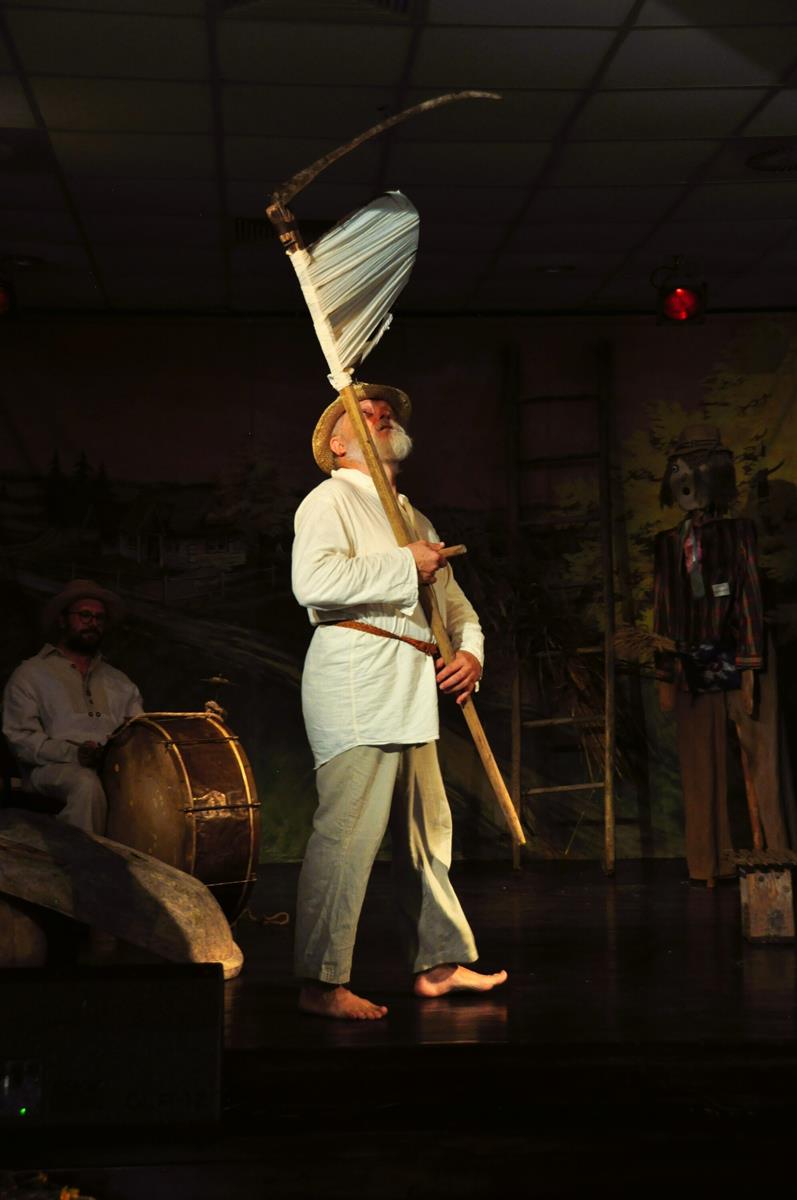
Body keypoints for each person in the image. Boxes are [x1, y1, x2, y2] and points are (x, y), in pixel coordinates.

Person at [291, 382, 507, 1020]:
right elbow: (314, 583)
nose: (381, 416)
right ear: (337, 445)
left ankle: (438, 963)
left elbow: (457, 607)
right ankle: (321, 982)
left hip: (412, 687)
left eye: (385, 413)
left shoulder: (415, 518)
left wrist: (471, 655)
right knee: (347, 835)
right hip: (357, 681)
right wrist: (403, 564)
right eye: (364, 415)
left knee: (426, 831)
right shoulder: (330, 500)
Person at [654, 424, 788, 885]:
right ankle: (708, 864)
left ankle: (775, 857)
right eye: (679, 472)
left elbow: (749, 595)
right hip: (692, 658)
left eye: (697, 471)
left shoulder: (738, 534)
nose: (687, 482)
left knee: (761, 759)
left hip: (740, 651)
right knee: (700, 764)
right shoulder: (669, 544)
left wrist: (749, 667)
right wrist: (666, 672)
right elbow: (664, 608)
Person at [2, 579, 143, 835]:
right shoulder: (31, 674)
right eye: (85, 615)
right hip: (50, 769)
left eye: (99, 618)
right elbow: (21, 739)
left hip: (111, 769)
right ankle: (84, 859)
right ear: (62, 620)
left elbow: (139, 732)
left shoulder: (120, 682)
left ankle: (138, 860)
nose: (93, 623)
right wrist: (74, 754)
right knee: (85, 783)